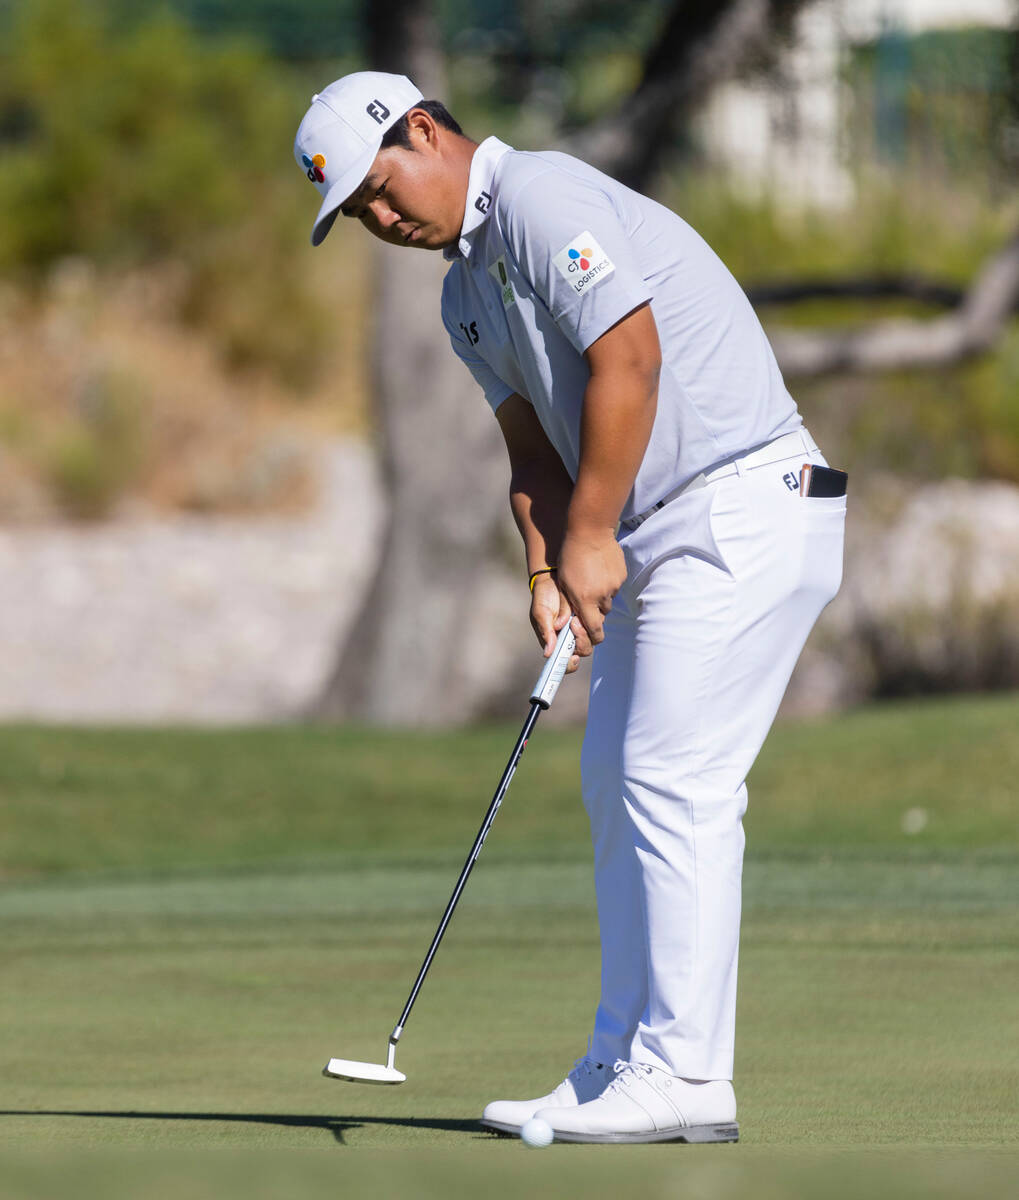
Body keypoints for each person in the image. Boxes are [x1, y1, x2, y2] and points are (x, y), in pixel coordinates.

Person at [294, 71, 846, 1145]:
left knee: (672, 780)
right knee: (613, 782)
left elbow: (626, 361)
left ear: (421, 129)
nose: (379, 218)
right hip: (654, 534)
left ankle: (685, 1075)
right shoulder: (463, 294)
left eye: (376, 186)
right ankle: (619, 1063)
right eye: (355, 212)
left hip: (739, 501)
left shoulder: (542, 198)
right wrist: (548, 568)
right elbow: (531, 454)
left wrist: (591, 537)